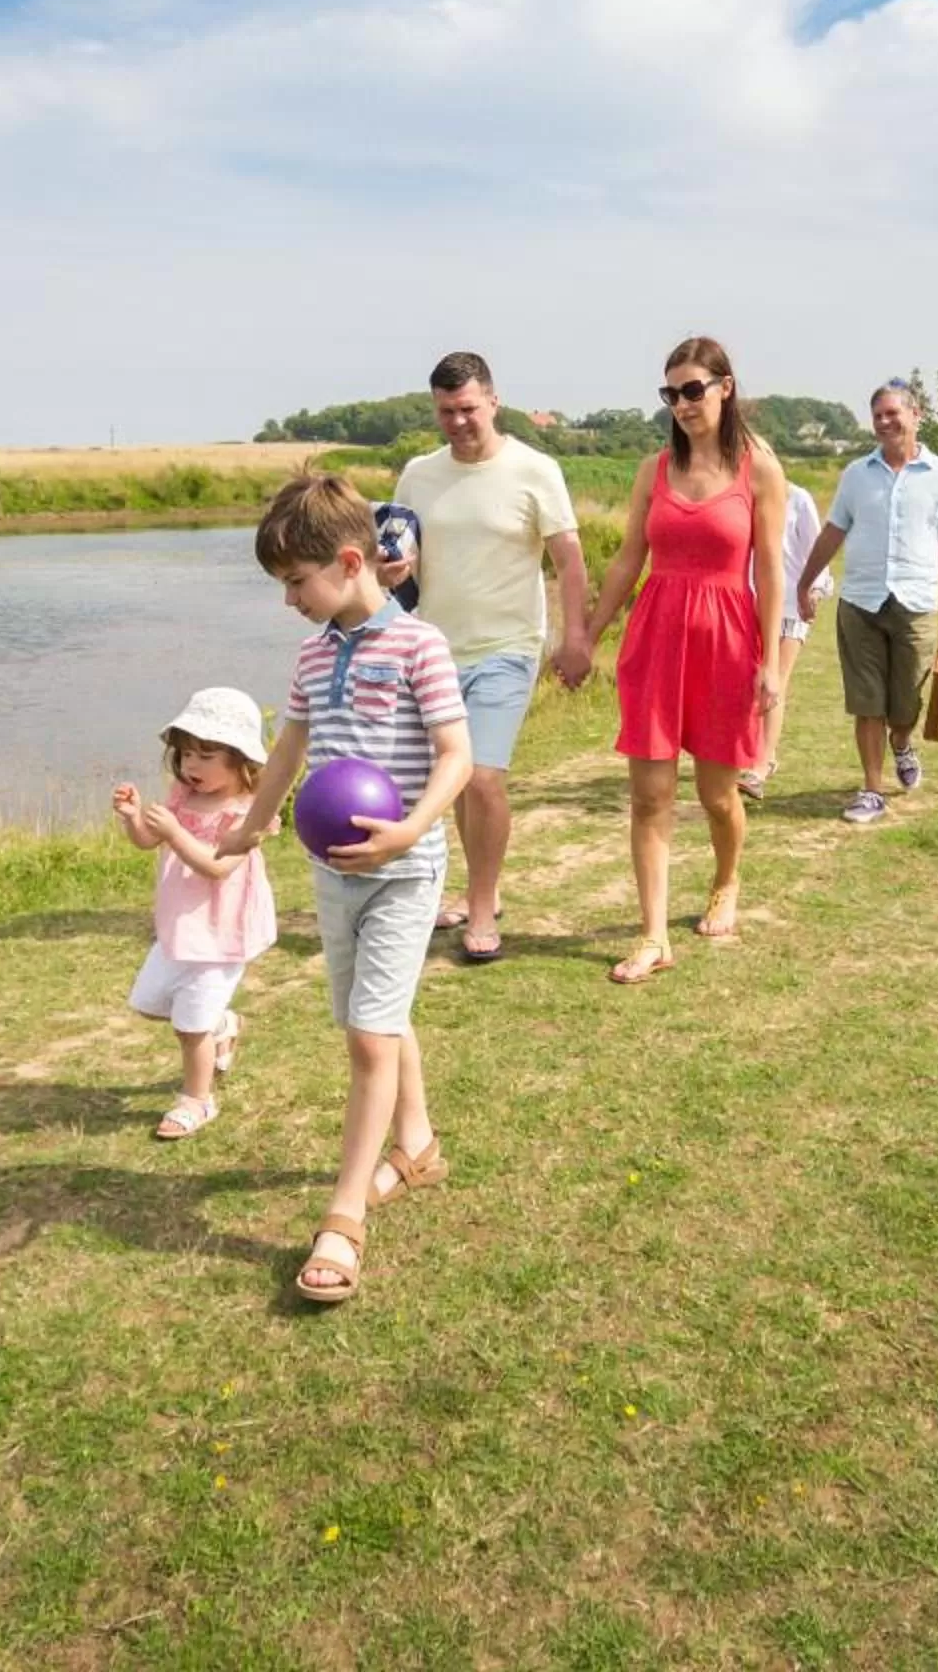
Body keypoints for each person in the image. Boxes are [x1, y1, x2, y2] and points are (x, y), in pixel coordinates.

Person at [218, 470, 475, 1306]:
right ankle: (418, 1145)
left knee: (369, 1037)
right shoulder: (311, 653)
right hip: (333, 874)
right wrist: (251, 825)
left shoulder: (420, 647)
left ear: (350, 561)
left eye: (297, 581)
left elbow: (457, 757)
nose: (289, 599)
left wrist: (411, 829)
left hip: (403, 871)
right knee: (373, 1017)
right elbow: (289, 747)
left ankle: (344, 1216)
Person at [576, 336, 786, 985]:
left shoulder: (760, 469)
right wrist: (587, 634)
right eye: (671, 393)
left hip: (727, 641)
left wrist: (771, 662)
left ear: (726, 387)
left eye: (693, 390)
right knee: (650, 796)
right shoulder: (654, 470)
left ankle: (726, 881)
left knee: (718, 795)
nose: (683, 404)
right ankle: (654, 936)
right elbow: (627, 560)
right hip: (658, 636)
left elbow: (770, 570)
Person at [385, 352, 591, 965]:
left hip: (508, 646)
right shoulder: (418, 475)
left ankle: (480, 908)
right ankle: (481, 889)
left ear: (494, 403)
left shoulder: (536, 470)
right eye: (445, 411)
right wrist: (393, 574)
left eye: (468, 409)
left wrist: (575, 638)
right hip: (433, 649)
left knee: (482, 776)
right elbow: (400, 560)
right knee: (452, 780)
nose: (457, 422)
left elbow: (569, 561)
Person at [793, 378, 938, 826]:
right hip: (860, 603)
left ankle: (902, 742)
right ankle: (872, 790)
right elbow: (833, 531)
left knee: (905, 702)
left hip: (915, 604)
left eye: (893, 413)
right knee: (867, 702)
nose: (884, 422)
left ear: (916, 415)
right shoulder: (856, 475)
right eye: (877, 415)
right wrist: (804, 582)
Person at [109, 688, 277, 1141]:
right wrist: (133, 818)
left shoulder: (248, 812)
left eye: (206, 755)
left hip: (221, 933)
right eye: (185, 754)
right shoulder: (182, 795)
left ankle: (196, 1100)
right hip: (180, 925)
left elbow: (218, 867)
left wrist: (175, 833)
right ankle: (222, 1023)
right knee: (149, 1003)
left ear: (240, 760)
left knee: (189, 1028)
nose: (191, 766)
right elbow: (149, 841)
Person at [738, 478, 829, 801]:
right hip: (747, 603)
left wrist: (815, 590)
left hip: (790, 604)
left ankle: (760, 767)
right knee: (748, 682)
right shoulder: (739, 496)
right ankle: (759, 752)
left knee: (775, 681)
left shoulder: (798, 499)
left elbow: (817, 549)